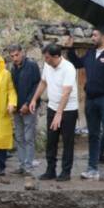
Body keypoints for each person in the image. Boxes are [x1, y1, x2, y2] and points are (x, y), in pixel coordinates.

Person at [65, 29, 104, 181]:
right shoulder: (91, 53)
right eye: (92, 35)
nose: (92, 37)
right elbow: (78, 63)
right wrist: (70, 48)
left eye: (95, 35)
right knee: (93, 135)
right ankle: (92, 169)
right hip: (91, 99)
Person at [29, 44, 79, 181]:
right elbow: (43, 82)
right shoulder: (48, 65)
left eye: (47, 58)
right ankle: (50, 170)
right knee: (51, 140)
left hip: (68, 110)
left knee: (68, 141)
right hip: (52, 107)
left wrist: (59, 114)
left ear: (56, 56)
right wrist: (34, 99)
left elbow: (66, 93)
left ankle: (66, 172)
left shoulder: (68, 68)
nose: (45, 60)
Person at [8, 44, 41, 175]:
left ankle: (28, 166)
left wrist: (28, 103)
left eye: (16, 55)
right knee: (19, 137)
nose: (15, 58)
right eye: (12, 56)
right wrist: (15, 104)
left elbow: (37, 86)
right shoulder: (14, 68)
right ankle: (22, 165)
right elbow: (13, 89)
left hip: (30, 107)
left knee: (29, 137)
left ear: (22, 53)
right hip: (18, 108)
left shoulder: (32, 65)